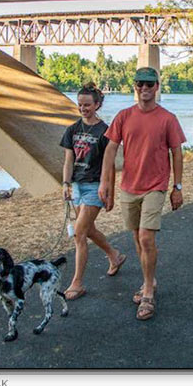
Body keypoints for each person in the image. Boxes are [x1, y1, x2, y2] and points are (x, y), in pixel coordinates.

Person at [99, 67, 186, 321]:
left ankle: (148, 291)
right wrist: (106, 184)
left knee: (147, 238)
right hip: (129, 187)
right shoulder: (124, 116)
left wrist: (177, 187)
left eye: (149, 84)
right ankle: (151, 279)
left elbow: (177, 152)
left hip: (155, 186)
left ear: (157, 87)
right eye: (140, 84)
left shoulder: (167, 118)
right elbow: (110, 150)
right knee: (137, 238)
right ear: (135, 86)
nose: (144, 88)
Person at [59, 82, 127, 301]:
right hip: (77, 186)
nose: (82, 108)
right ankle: (114, 255)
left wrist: (110, 192)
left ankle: (77, 283)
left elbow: (110, 165)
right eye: (80, 104)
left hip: (94, 187)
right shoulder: (72, 130)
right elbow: (68, 160)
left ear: (97, 105)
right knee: (87, 230)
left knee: (79, 233)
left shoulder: (105, 132)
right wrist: (65, 184)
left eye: (87, 105)